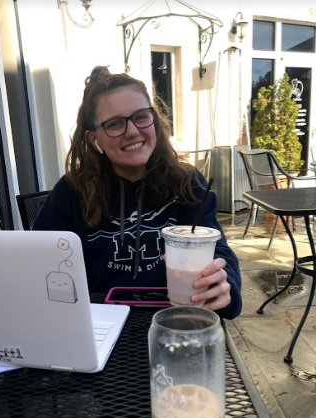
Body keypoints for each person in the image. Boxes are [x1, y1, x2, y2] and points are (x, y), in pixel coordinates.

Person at [34, 66, 242, 319]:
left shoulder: (188, 183)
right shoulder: (71, 191)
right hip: (97, 327)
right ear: (93, 139)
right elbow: (40, 263)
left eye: (141, 117)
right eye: (114, 124)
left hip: (178, 321)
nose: (132, 131)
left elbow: (217, 249)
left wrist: (224, 284)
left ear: (153, 120)